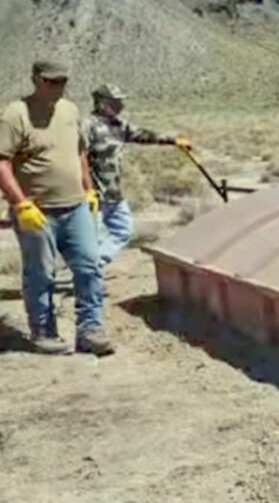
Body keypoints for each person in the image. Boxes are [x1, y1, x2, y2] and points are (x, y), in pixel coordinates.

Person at [0, 61, 112, 356]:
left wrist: (89, 190)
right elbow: (2, 162)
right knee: (41, 274)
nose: (57, 87)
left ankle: (90, 329)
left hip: (76, 207)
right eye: (51, 81)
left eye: (62, 81)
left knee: (89, 266)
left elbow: (79, 152)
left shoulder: (70, 110)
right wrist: (20, 203)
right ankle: (43, 332)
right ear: (35, 79)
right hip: (37, 211)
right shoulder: (16, 114)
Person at [84, 84, 192, 269]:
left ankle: (93, 266)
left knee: (123, 230)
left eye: (120, 102)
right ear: (102, 103)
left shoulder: (119, 125)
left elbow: (143, 135)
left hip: (114, 193)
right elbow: (77, 157)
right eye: (116, 102)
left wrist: (172, 140)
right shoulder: (88, 126)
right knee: (90, 239)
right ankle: (88, 275)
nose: (120, 106)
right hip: (93, 195)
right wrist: (86, 189)